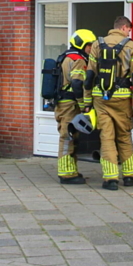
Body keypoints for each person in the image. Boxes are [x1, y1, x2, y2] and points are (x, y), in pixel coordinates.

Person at [87, 16, 133, 191]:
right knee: (124, 136)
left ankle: (110, 178)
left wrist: (87, 102)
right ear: (124, 27)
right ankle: (130, 176)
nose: (129, 32)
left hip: (100, 98)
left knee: (106, 137)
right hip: (122, 97)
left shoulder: (97, 44)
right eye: (129, 29)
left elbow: (90, 75)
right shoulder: (131, 46)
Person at [54, 29, 96, 184]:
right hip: (70, 104)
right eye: (89, 45)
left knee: (70, 136)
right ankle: (66, 174)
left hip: (63, 103)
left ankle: (71, 170)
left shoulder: (65, 56)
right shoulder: (78, 59)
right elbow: (77, 83)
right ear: (82, 44)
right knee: (67, 137)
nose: (91, 49)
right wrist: (83, 103)